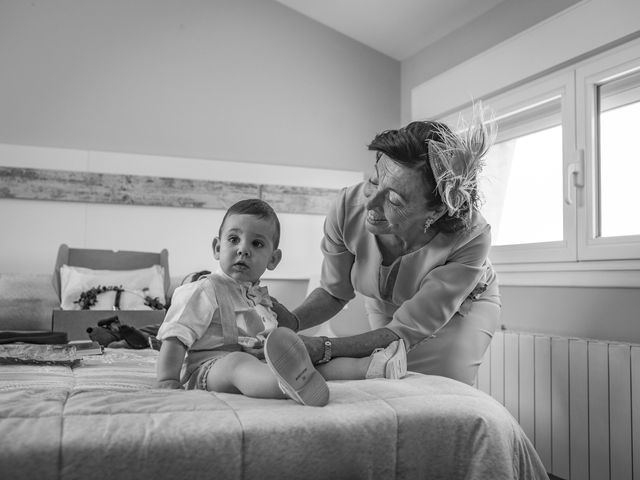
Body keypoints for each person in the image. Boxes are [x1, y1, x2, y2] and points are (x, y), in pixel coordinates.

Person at [271, 105, 501, 386]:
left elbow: (404, 330)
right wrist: (289, 325)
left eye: (394, 200)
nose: (369, 204)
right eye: (373, 181)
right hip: (385, 302)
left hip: (461, 309)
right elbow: (334, 292)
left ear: (435, 212)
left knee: (437, 390)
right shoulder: (347, 208)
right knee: (389, 381)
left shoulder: (471, 238)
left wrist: (324, 347)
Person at [155, 199, 407, 407]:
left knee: (313, 361)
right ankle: (284, 384)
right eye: (233, 240)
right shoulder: (203, 289)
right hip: (210, 368)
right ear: (217, 248)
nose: (243, 250)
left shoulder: (263, 300)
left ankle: (372, 366)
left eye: (257, 244)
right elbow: (175, 337)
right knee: (237, 364)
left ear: (273, 259)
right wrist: (168, 379)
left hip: (263, 363)